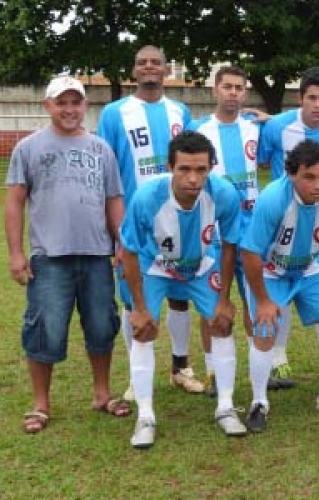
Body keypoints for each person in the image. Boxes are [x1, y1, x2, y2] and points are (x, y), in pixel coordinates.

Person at [5, 76, 129, 433]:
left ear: (85, 106)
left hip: (95, 255)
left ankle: (102, 394)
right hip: (50, 256)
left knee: (102, 324)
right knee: (45, 328)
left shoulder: (101, 149)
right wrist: (16, 254)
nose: (69, 109)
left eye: (76, 102)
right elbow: (14, 203)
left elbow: (113, 200)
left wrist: (120, 243)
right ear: (48, 106)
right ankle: (41, 404)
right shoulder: (28, 148)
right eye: (62, 102)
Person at [121, 131, 243, 449]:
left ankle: (226, 407)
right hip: (156, 265)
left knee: (222, 322)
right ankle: (145, 415)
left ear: (211, 167)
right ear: (170, 167)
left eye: (201, 169)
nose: (193, 178)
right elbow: (129, 252)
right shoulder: (147, 197)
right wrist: (139, 307)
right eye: (184, 169)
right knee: (145, 329)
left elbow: (230, 245)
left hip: (201, 264)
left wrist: (224, 298)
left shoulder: (224, 194)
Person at [97, 45, 202, 398]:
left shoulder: (180, 110)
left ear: (166, 69)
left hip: (178, 220)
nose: (149, 67)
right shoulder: (115, 113)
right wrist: (114, 231)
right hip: (135, 223)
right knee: (133, 297)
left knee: (179, 295)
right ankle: (135, 373)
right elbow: (106, 174)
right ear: (134, 70)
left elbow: (193, 154)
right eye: (142, 63)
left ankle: (181, 365)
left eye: (156, 62)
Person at [240, 140, 319, 432]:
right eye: (309, 177)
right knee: (265, 328)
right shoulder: (273, 198)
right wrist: (263, 301)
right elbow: (250, 253)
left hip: (308, 269)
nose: (318, 185)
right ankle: (259, 401)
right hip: (270, 271)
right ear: (292, 174)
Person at [256, 66, 319, 390]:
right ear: (300, 98)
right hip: (282, 227)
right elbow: (263, 161)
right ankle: (277, 358)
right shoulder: (278, 126)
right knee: (274, 296)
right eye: (312, 98)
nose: (318, 105)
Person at [186, 65, 261, 397]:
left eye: (239, 87)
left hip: (252, 233)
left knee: (254, 301)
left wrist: (269, 117)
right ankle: (214, 370)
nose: (233, 92)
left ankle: (259, 367)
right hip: (212, 234)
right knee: (212, 303)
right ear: (215, 89)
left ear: (245, 93)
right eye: (227, 86)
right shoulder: (199, 130)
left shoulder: (256, 130)